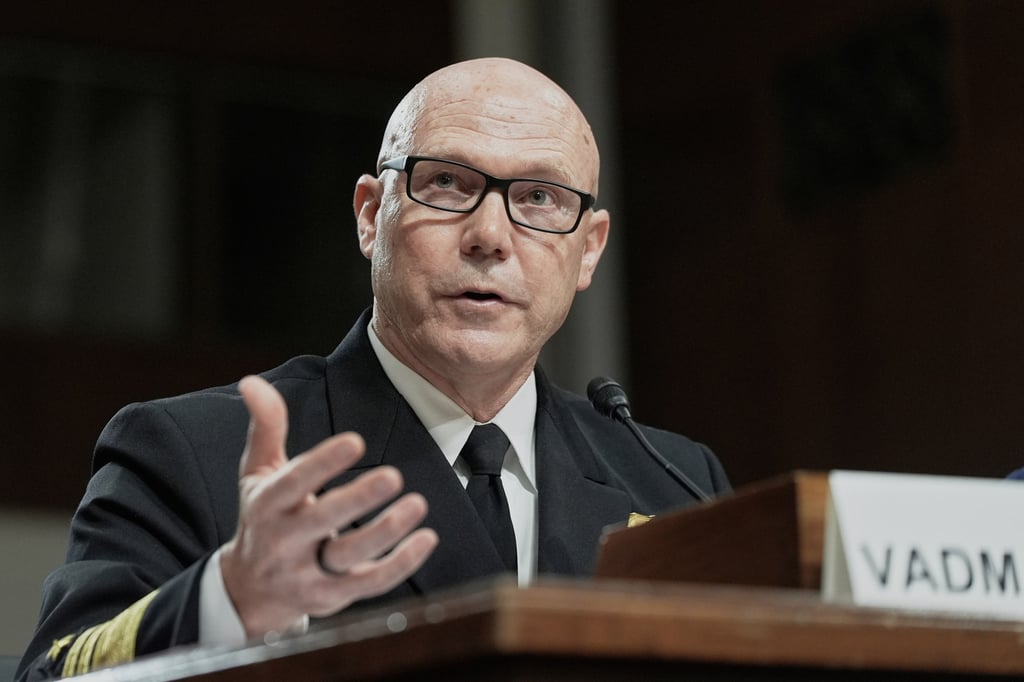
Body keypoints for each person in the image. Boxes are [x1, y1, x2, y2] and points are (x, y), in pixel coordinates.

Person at [17, 57, 730, 681]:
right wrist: (228, 601)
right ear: (370, 215)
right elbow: (52, 673)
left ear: (589, 250)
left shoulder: (674, 483)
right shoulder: (193, 450)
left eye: (539, 198)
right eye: (448, 183)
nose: (490, 237)